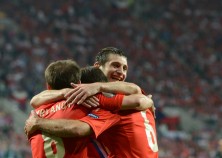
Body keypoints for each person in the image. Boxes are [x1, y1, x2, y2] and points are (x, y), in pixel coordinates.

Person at [26, 47, 158, 157]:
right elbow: (140, 98)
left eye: (124, 68)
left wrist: (38, 122)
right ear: (97, 67)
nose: (121, 72)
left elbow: (140, 99)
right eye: (115, 65)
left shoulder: (106, 102)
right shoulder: (122, 98)